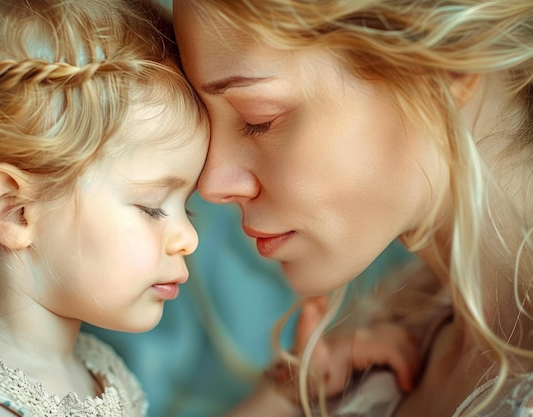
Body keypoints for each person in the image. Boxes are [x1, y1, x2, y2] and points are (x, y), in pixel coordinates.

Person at [172, 0, 533, 416]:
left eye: (259, 118)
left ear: (447, 66)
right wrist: (288, 397)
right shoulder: (389, 329)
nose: (211, 183)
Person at [0, 0, 209, 415]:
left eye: (186, 209)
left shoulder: (100, 369)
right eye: (153, 207)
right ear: (16, 211)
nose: (188, 238)